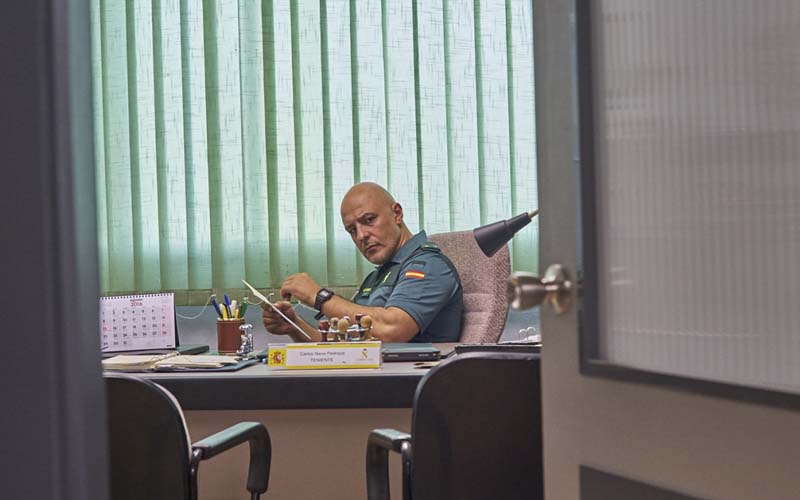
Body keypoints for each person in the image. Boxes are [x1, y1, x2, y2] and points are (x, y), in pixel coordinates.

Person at [262, 182, 463, 343]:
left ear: (397, 214)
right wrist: (294, 326)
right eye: (352, 230)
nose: (361, 236)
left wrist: (318, 296)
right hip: (368, 375)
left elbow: (393, 329)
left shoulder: (427, 265)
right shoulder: (376, 277)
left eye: (369, 220)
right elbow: (343, 346)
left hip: (409, 379)